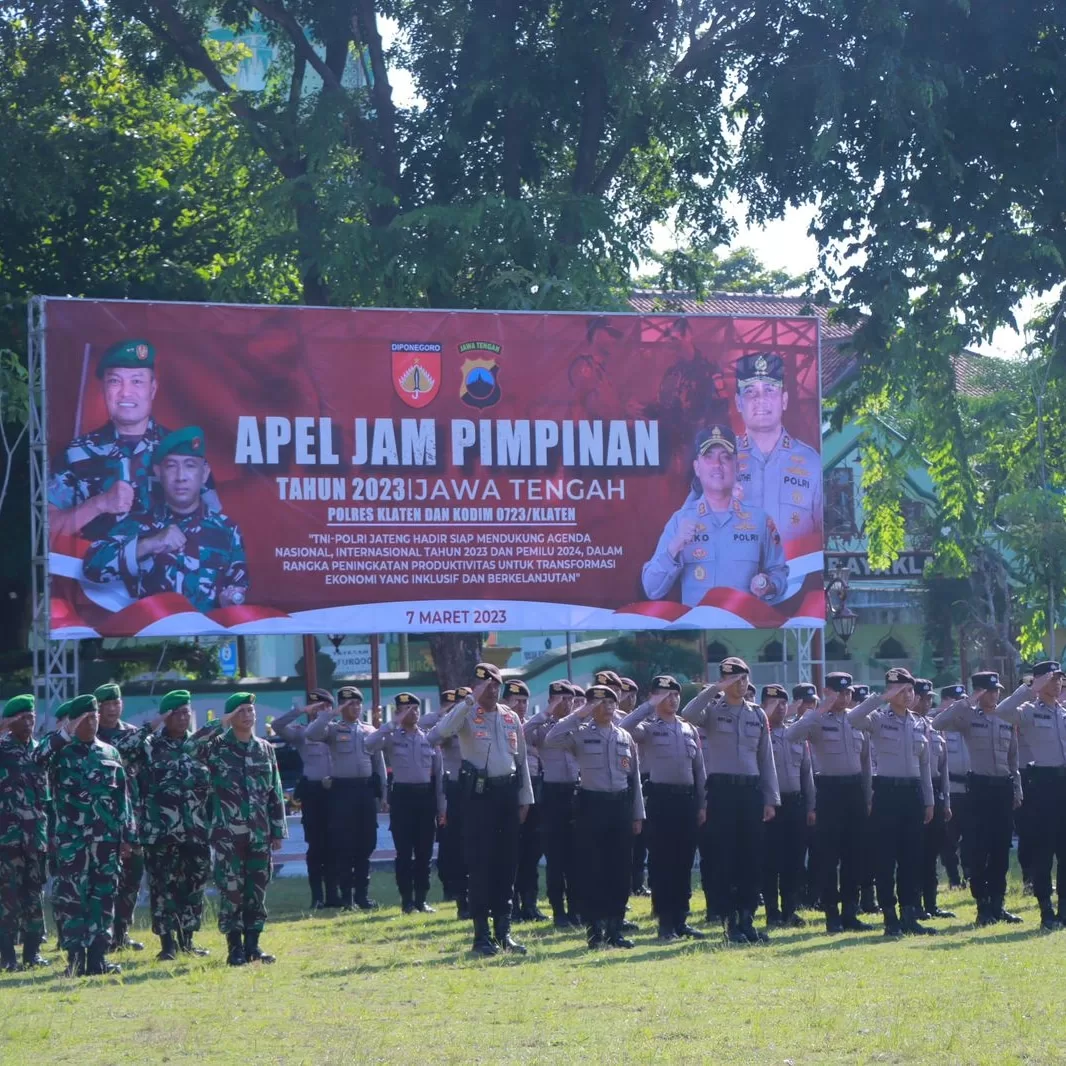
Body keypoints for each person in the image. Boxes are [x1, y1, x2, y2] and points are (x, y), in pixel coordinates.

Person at [48, 340, 220, 542]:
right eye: (115, 381)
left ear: (153, 389)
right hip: (96, 570)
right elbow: (47, 530)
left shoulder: (184, 451)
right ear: (103, 390)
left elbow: (215, 528)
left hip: (167, 572)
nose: (126, 392)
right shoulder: (76, 453)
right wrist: (98, 504)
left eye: (137, 381)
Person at [427, 663, 534, 956]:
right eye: (486, 686)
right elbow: (438, 733)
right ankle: (481, 935)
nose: (492, 690)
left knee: (506, 864)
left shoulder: (510, 717)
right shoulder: (466, 713)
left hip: (507, 795)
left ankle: (504, 931)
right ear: (476, 686)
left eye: (496, 685)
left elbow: (521, 760)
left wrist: (525, 797)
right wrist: (469, 701)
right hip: (478, 798)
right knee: (481, 865)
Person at [82, 427, 247, 611]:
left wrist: (230, 601)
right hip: (151, 634)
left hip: (207, 636)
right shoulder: (136, 523)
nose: (181, 477)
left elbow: (238, 588)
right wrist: (150, 543)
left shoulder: (227, 529)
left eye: (190, 465)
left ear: (204, 473)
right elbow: (92, 568)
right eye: (171, 466)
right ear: (158, 472)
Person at [681, 658, 779, 944]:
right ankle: (730, 922)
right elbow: (688, 713)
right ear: (723, 681)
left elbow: (766, 758)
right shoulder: (712, 711)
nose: (740, 684)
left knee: (750, 857)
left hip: (750, 792)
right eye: (733, 679)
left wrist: (770, 798)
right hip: (722, 792)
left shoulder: (757, 715)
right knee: (726, 858)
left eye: (743, 679)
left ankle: (747, 918)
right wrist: (715, 689)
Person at [642, 425, 788, 606]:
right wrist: (675, 545)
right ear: (697, 467)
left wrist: (769, 585)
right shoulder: (680, 520)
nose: (717, 465)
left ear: (737, 466)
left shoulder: (760, 520)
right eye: (708, 456)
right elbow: (651, 589)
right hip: (697, 631)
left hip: (744, 628)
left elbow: (779, 572)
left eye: (725, 457)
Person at [545, 684, 644, 949]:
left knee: (620, 870)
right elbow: (552, 739)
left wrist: (637, 814)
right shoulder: (579, 734)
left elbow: (634, 779)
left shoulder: (624, 736)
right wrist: (580, 713)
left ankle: (615, 929)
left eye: (612, 702)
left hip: (620, 807)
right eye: (601, 702)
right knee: (593, 870)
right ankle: (595, 929)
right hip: (592, 807)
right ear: (590, 706)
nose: (608, 707)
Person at [41, 694, 135, 976]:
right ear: (74, 722)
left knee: (103, 897)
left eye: (95, 718)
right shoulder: (59, 751)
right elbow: (36, 758)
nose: (92, 723)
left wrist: (128, 835)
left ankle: (98, 958)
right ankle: (75, 959)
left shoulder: (109, 752)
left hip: (106, 841)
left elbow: (123, 798)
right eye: (86, 719)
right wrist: (65, 732)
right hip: (73, 842)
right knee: (72, 900)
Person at [191, 691, 286, 965]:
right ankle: (235, 949)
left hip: (259, 833)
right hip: (227, 835)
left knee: (257, 890)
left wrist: (277, 830)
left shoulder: (265, 749)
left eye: (250, 710)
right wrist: (220, 723)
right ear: (232, 717)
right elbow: (190, 747)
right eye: (241, 711)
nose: (248, 716)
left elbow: (274, 792)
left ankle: (253, 946)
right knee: (231, 891)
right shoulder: (217, 747)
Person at [121, 689, 213, 960]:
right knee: (163, 889)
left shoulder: (197, 746)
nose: (183, 717)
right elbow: (122, 750)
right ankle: (167, 945)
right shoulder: (149, 746)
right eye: (177, 713)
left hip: (194, 830)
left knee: (194, 885)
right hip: (160, 832)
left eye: (187, 712)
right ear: (166, 716)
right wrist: (153, 723)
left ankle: (188, 941)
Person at [846, 670, 935, 937]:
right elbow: (853, 718)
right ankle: (889, 916)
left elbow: (926, 765)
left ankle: (909, 914)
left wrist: (929, 801)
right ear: (890, 692)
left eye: (910, 690)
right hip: (886, 792)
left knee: (911, 857)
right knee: (886, 859)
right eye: (901, 690)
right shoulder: (878, 719)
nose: (907, 695)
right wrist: (881, 697)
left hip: (912, 794)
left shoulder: (920, 723)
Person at [785, 672, 874, 933]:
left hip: (855, 791)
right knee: (828, 857)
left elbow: (866, 763)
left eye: (848, 693)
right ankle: (832, 915)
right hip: (829, 790)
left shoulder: (857, 719)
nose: (845, 697)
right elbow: (792, 735)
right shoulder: (817, 719)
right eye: (839, 692)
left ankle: (850, 913)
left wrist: (868, 797)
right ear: (827, 691)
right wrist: (820, 708)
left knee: (854, 856)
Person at [932, 672, 1023, 926]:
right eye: (990, 691)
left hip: (1003, 789)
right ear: (980, 692)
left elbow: (1013, 758)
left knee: (1000, 850)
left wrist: (1017, 788)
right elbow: (938, 723)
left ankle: (997, 904)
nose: (995, 695)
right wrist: (968, 701)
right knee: (978, 850)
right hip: (979, 790)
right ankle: (982, 906)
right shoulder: (969, 717)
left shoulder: (1005, 717)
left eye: (997, 691)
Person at [621, 675, 706, 942]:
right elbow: (624, 727)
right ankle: (665, 922)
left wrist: (702, 803)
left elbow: (699, 770)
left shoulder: (687, 728)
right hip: (659, 800)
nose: (671, 699)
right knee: (662, 863)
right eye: (664, 694)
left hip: (686, 800)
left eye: (675, 694)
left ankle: (681, 919)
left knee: (683, 862)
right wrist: (649, 705)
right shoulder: (647, 727)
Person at [992, 662, 1066, 930]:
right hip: (1043, 786)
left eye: (1060, 679)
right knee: (1044, 852)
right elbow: (1002, 711)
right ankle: (1046, 909)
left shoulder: (1063, 713)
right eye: (1051, 679)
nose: (1057, 684)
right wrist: (1029, 688)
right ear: (1039, 682)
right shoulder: (1029, 712)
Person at [305, 685, 387, 911]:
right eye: (349, 703)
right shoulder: (332, 729)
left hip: (365, 792)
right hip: (342, 792)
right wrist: (330, 713)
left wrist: (383, 794)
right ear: (342, 706)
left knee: (366, 842)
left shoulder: (370, 730)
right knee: (343, 845)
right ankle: (347, 897)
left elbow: (378, 763)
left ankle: (362, 895)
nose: (355, 707)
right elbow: (311, 733)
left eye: (358, 703)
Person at [366, 693, 445, 914]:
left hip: (425, 797)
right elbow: (368, 744)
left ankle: (421, 899)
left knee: (424, 853)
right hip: (402, 798)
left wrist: (442, 808)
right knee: (404, 852)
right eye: (406, 708)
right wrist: (392, 723)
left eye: (414, 708)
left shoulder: (428, 738)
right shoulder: (391, 737)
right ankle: (407, 901)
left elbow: (438, 777)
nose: (412, 712)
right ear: (398, 711)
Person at [732, 352, 822, 541]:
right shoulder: (721, 461)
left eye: (770, 389)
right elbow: (693, 525)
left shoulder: (811, 462)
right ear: (738, 403)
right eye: (750, 391)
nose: (760, 398)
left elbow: (824, 531)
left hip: (793, 570)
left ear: (784, 400)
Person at [91, 682, 146, 952]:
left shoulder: (133, 734)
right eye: (107, 704)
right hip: (100, 820)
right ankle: (102, 935)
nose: (113, 708)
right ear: (98, 707)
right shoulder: (90, 734)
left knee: (131, 878)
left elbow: (145, 772)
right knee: (103, 880)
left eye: (116, 703)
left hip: (130, 816)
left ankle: (122, 933)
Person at [270, 689, 336, 908]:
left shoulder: (340, 731)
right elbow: (278, 726)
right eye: (315, 707)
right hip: (315, 794)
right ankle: (318, 896)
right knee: (316, 846)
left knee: (338, 845)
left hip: (338, 793)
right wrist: (300, 710)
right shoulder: (302, 733)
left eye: (324, 707)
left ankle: (336, 894)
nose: (320, 711)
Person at [523, 681, 581, 928]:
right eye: (560, 699)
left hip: (577, 792)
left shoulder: (579, 725)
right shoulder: (542, 728)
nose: (566, 704)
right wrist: (547, 711)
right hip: (553, 794)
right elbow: (522, 732)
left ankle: (577, 909)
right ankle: (558, 911)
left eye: (569, 699)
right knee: (556, 857)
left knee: (577, 856)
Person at [0, 695, 50, 971]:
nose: (29, 722)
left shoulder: (39, 750)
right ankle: (7, 957)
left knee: (34, 896)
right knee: (6, 899)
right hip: (6, 838)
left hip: (35, 837)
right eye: (23, 718)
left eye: (31, 717)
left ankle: (32, 953)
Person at [763, 683, 815, 929]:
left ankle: (790, 910)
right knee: (771, 861)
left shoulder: (796, 734)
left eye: (784, 703)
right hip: (771, 806)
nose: (780, 708)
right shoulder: (760, 734)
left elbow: (807, 775)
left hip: (795, 804)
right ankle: (772, 911)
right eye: (774, 703)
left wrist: (811, 806)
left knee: (794, 861)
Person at [421, 688, 471, 917]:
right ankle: (457, 894)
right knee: (454, 848)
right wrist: (448, 712)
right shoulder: (448, 728)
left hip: (479, 789)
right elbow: (426, 730)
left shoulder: (477, 724)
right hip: (455, 789)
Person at [912, 679, 955, 920]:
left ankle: (931, 903)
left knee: (932, 852)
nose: (928, 702)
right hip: (914, 792)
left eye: (930, 698)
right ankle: (914, 903)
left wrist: (946, 800)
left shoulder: (935, 726)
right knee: (914, 852)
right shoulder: (906, 725)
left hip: (936, 793)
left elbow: (944, 766)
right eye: (924, 697)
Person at [504, 680, 545, 922]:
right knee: (512, 853)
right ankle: (513, 905)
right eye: (516, 701)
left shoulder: (531, 725)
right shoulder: (503, 723)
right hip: (510, 793)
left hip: (535, 793)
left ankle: (530, 902)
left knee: (532, 851)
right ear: (505, 701)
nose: (521, 705)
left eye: (524, 701)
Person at [937, 683, 973, 889]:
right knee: (948, 840)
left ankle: (969, 875)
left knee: (971, 838)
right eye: (955, 701)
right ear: (945, 702)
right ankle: (953, 878)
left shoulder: (969, 723)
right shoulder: (937, 723)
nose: (961, 705)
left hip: (970, 789)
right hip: (950, 790)